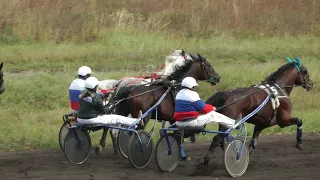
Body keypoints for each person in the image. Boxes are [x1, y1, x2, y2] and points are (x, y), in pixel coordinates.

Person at [173, 77, 236, 161]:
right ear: (192, 87)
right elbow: (203, 108)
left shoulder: (179, 94)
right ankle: (233, 124)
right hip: (191, 122)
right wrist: (212, 108)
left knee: (207, 114)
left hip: (179, 123)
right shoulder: (192, 94)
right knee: (213, 115)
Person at [76, 76, 143, 127]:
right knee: (117, 118)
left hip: (80, 118)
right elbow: (104, 111)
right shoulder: (96, 98)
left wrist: (104, 95)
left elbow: (92, 98)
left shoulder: (82, 94)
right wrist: (110, 104)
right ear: (95, 87)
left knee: (105, 103)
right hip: (90, 120)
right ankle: (137, 121)